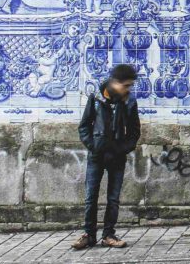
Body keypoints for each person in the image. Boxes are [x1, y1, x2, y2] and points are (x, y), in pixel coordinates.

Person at [72, 64, 140, 250]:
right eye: (125, 85)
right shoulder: (96, 98)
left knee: (113, 199)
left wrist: (123, 148)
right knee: (90, 197)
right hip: (97, 156)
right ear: (115, 82)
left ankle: (108, 234)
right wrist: (93, 146)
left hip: (117, 157)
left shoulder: (129, 102)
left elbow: (135, 132)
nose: (128, 89)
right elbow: (84, 126)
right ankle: (89, 235)